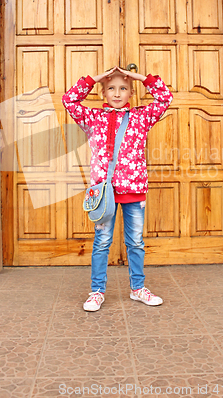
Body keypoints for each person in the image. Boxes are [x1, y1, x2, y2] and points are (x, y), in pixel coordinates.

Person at [62, 66, 173, 311]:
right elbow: (69, 100)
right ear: (103, 93)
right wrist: (94, 78)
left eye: (123, 88)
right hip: (104, 193)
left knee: (135, 242)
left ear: (131, 93)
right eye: (111, 88)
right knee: (102, 242)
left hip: (134, 191)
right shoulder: (93, 118)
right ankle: (97, 292)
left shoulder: (141, 117)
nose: (117, 93)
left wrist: (142, 78)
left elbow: (165, 98)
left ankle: (137, 289)